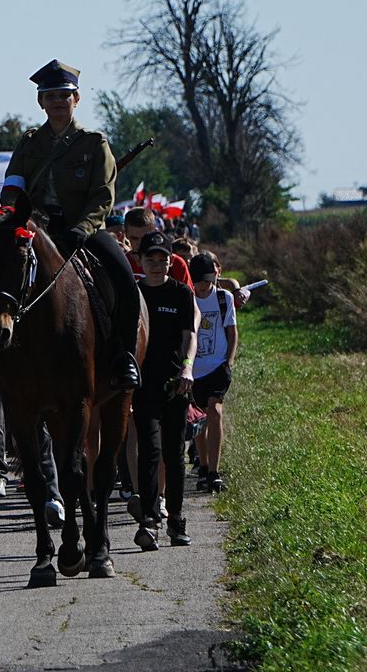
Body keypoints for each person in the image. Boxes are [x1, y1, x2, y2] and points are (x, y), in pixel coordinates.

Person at [0, 59, 140, 390]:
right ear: (41, 102)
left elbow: (103, 197)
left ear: (76, 100)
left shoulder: (94, 142)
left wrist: (84, 228)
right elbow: (13, 186)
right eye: (51, 96)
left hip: (82, 230)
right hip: (34, 228)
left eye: (65, 95)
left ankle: (125, 357)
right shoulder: (30, 142)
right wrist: (6, 218)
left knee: (123, 280)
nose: (58, 102)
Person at [132, 232, 198, 550]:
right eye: (150, 260)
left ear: (172, 262)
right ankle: (148, 520)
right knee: (149, 451)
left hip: (176, 384)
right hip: (144, 385)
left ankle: (176, 519)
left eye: (163, 260)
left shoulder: (181, 294)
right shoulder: (135, 294)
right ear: (140, 262)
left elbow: (190, 335)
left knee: (174, 455)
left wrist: (187, 367)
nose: (157, 266)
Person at [189, 253, 237, 493]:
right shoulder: (187, 299)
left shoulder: (223, 298)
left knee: (214, 409)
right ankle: (204, 465)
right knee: (199, 419)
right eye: (199, 282)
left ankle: (214, 471)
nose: (203, 287)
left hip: (218, 365)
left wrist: (228, 361)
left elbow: (232, 331)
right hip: (194, 370)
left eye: (207, 282)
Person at [124, 208, 193, 288]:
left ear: (155, 231)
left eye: (144, 238)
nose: (139, 243)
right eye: (134, 238)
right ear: (126, 235)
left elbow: (188, 298)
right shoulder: (121, 264)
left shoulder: (176, 264)